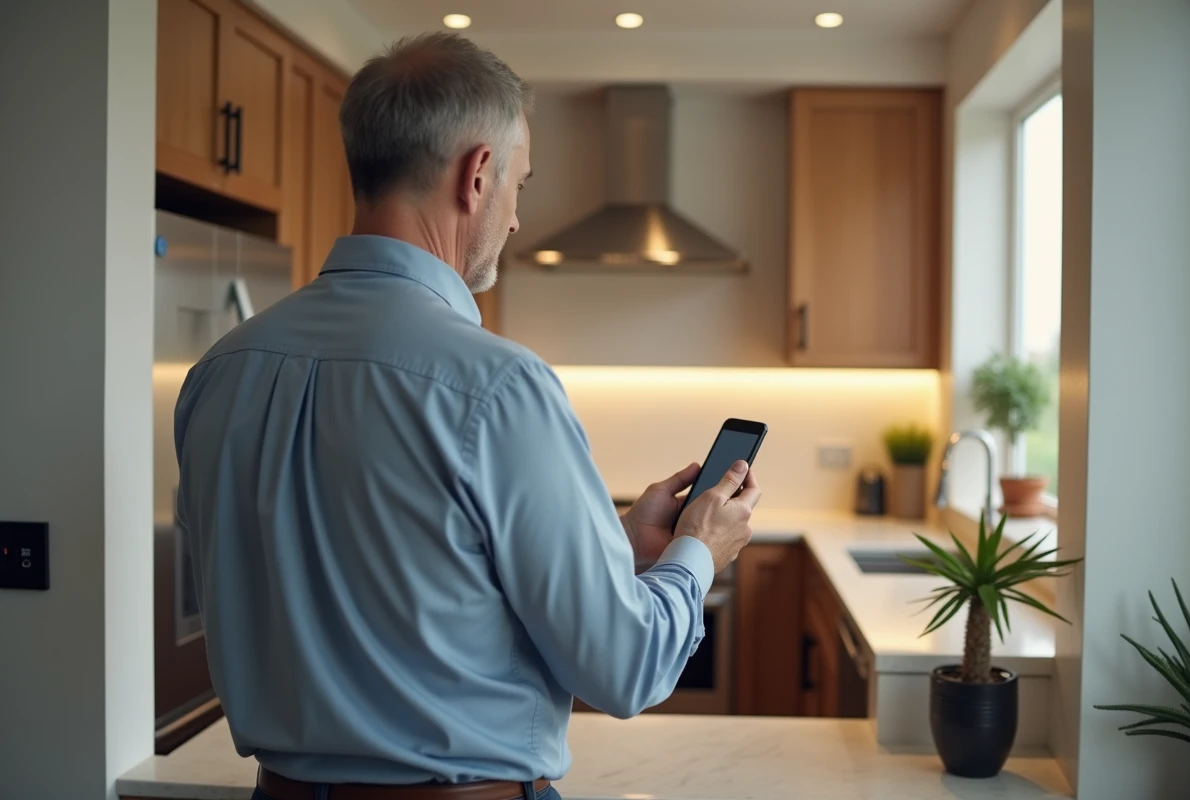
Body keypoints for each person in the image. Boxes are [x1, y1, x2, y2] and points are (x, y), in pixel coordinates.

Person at [173, 32, 761, 800]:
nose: (516, 220)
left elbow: (385, 582)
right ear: (477, 174)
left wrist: (610, 549)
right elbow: (625, 670)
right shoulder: (497, 387)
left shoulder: (219, 373)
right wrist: (697, 553)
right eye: (520, 183)